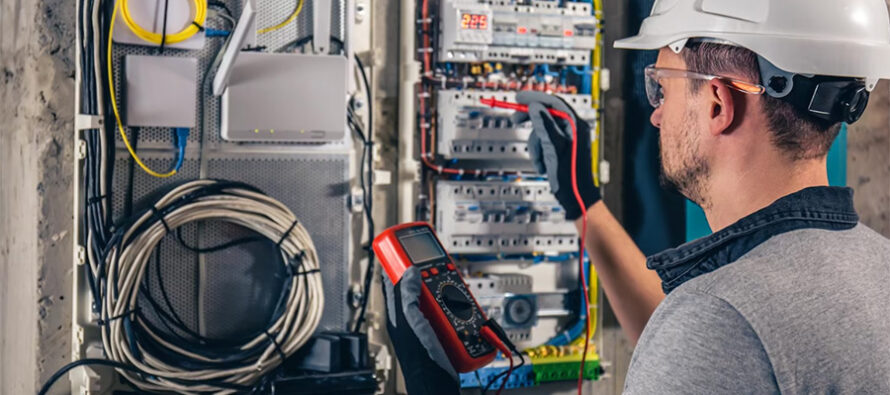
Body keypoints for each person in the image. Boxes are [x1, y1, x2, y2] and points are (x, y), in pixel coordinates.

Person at [385, 0, 890, 393]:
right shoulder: (875, 266)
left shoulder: (718, 322)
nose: (655, 115)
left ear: (718, 103)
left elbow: (712, 338)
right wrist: (584, 205)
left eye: (662, 88)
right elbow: (709, 349)